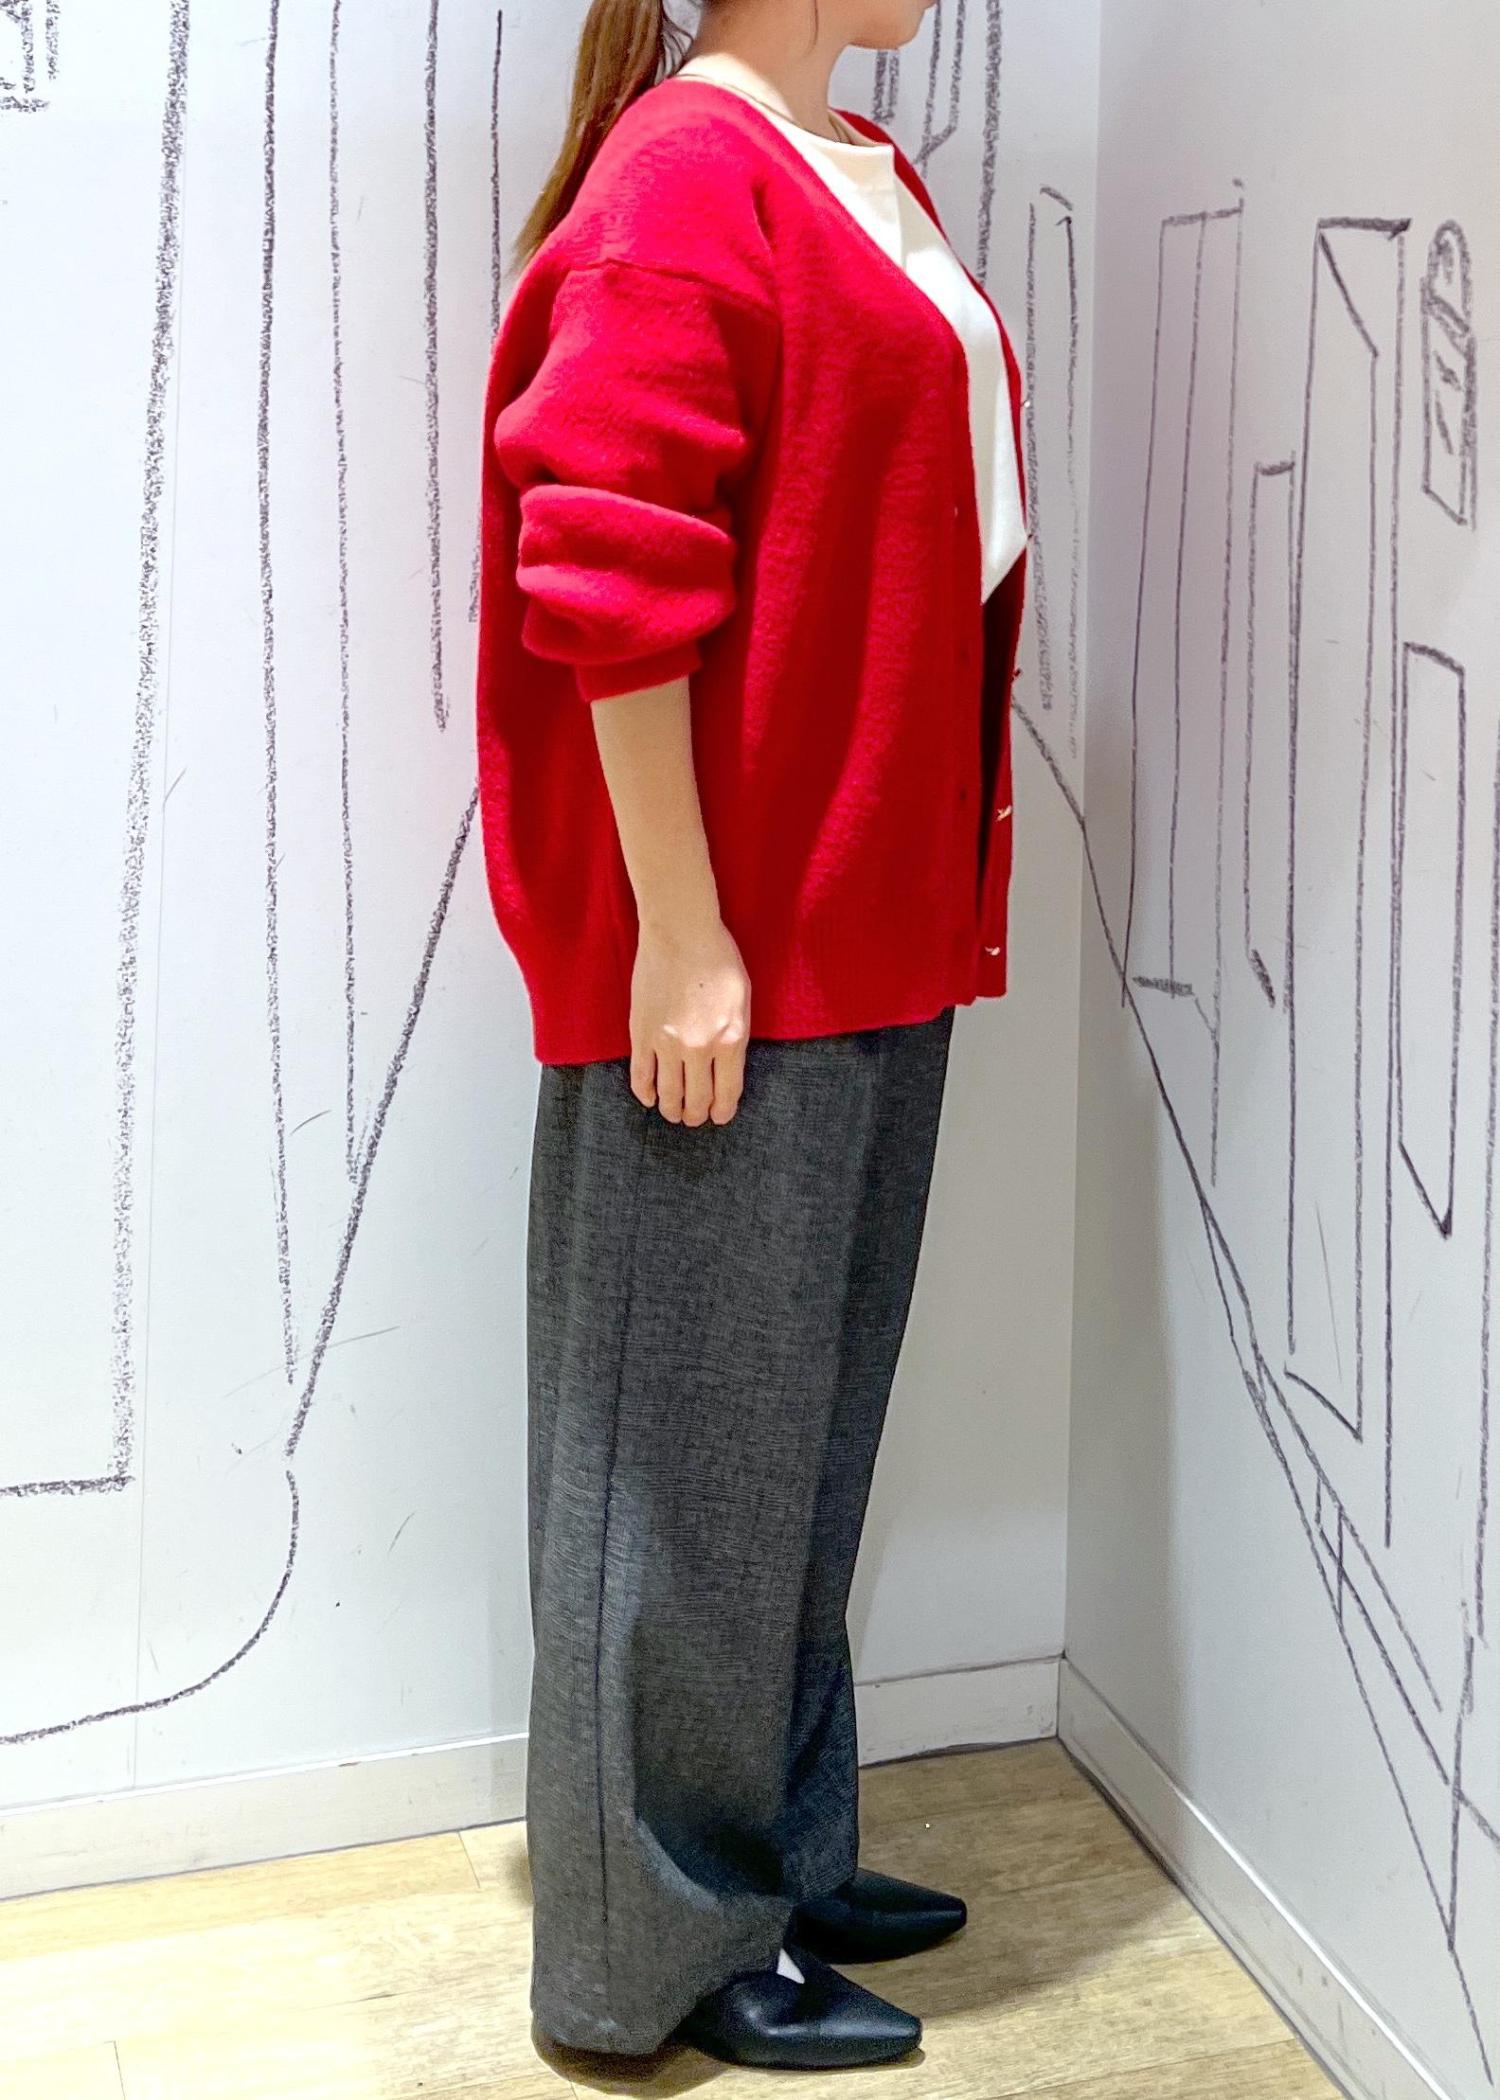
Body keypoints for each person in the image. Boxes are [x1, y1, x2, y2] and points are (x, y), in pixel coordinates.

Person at [473, 0, 1029, 2070]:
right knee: (679, 1471)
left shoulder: (851, 169)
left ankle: (770, 1858)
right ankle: (654, 1951)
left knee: (791, 1451)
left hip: (865, 929)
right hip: (738, 953)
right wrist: (681, 937)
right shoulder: (689, 180)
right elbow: (605, 575)